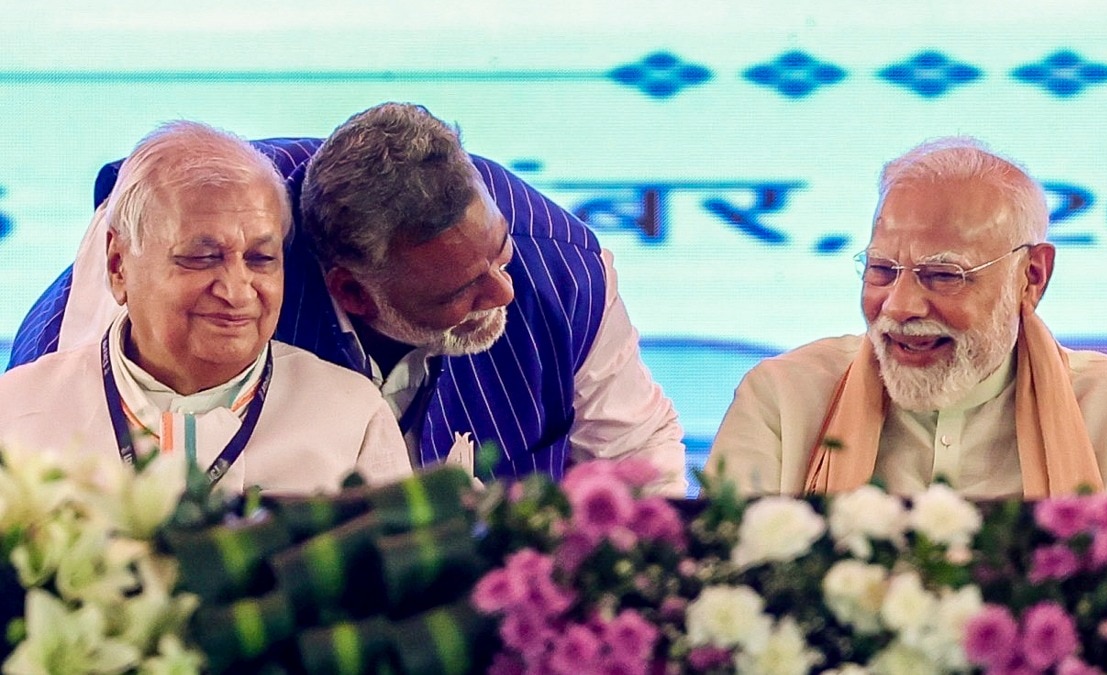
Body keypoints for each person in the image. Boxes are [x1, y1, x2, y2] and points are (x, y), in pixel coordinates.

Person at [9, 104, 686, 495]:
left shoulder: (561, 265)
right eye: (459, 289)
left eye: (498, 250)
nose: (501, 290)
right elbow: (93, 438)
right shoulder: (202, 243)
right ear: (352, 293)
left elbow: (639, 457)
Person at [705, 137, 1107, 498]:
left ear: (1031, 276)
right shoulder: (782, 400)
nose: (899, 307)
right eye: (882, 270)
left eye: (942, 275)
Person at [0, 121, 411, 495]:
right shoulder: (18, 412)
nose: (236, 291)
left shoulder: (352, 415)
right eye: (201, 258)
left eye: (260, 259)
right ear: (118, 265)